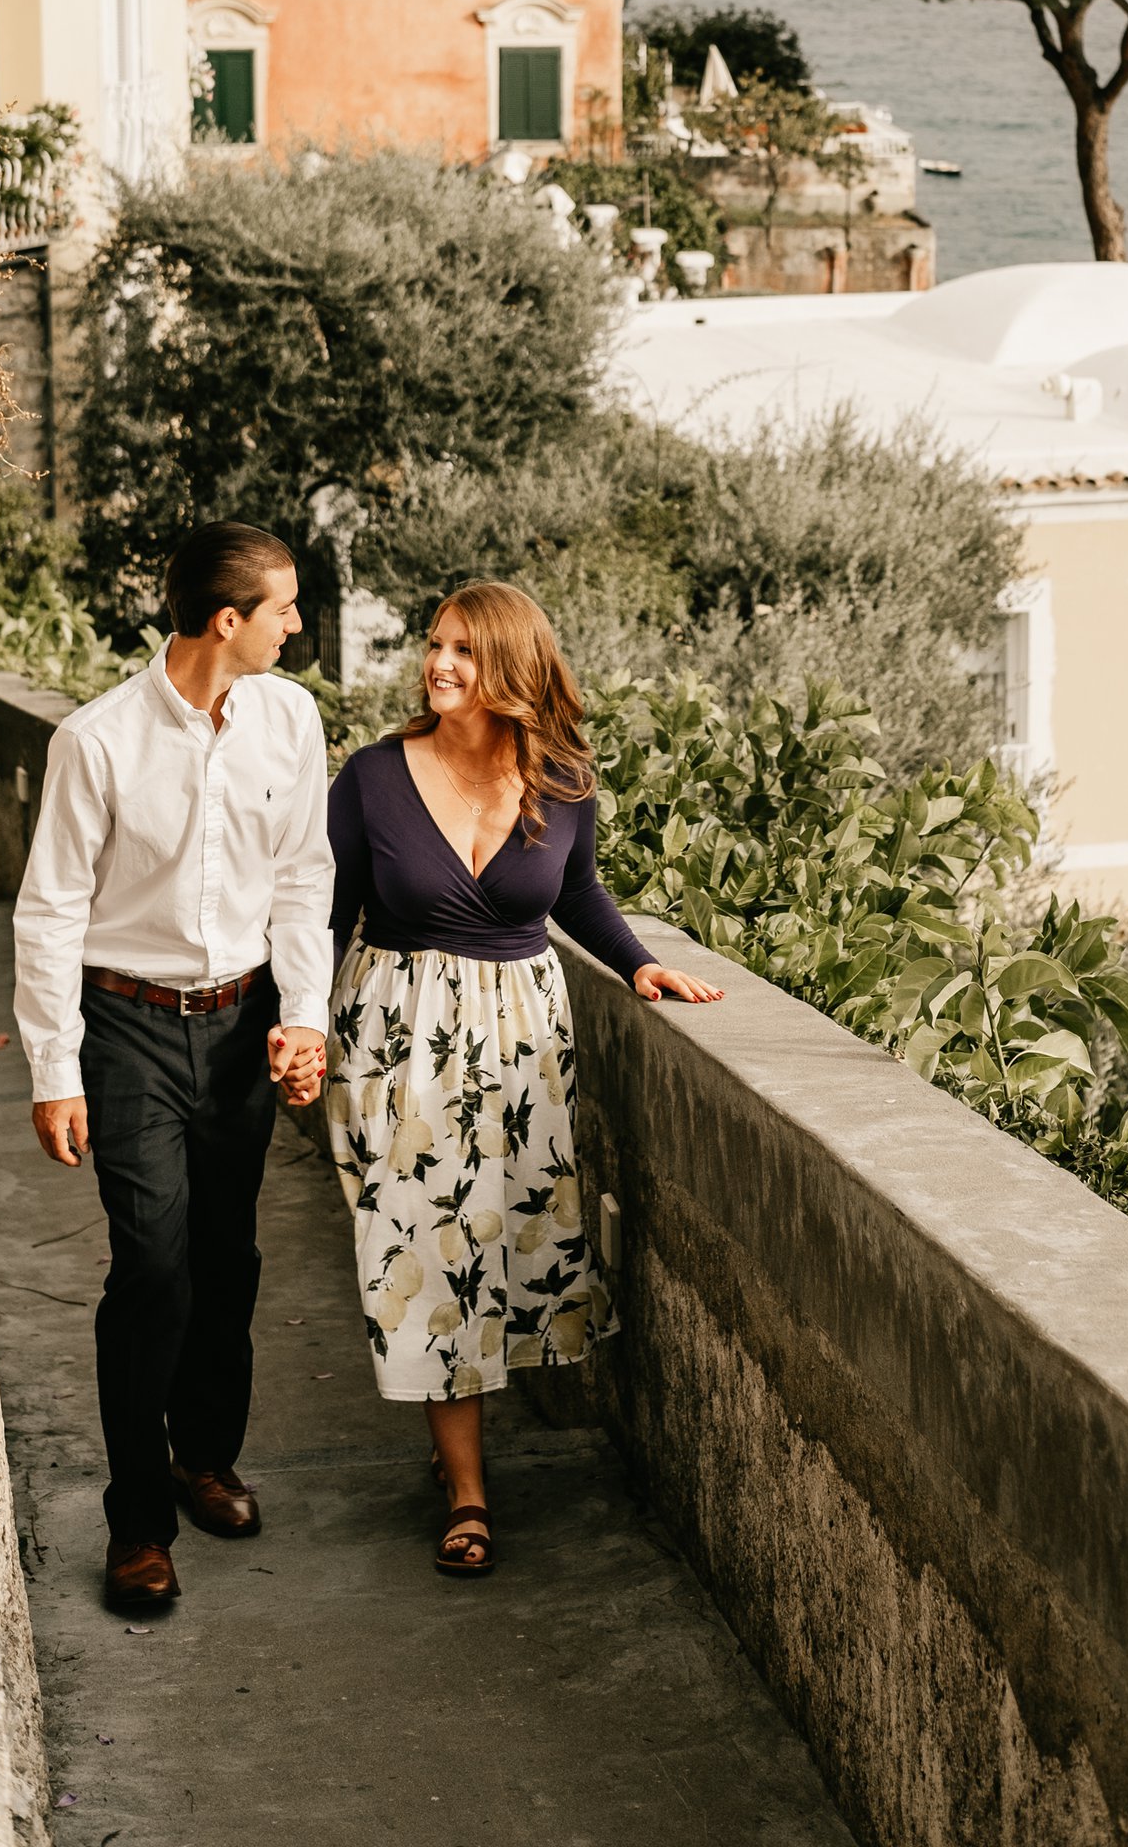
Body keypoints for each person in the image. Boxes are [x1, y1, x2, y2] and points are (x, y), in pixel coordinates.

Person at [325, 580, 720, 1575]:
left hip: (522, 1038)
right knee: (424, 1244)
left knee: (501, 1240)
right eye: (434, 645)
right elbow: (322, 914)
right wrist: (300, 1030)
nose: (439, 664)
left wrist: (638, 962)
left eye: (464, 650)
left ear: (513, 669)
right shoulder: (372, 779)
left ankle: (466, 1462)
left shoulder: (567, 781)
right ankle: (466, 1490)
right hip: (400, 1032)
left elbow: (577, 892)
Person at [13, 521, 333, 1612]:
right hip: (127, 1026)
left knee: (226, 1257)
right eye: (284, 607)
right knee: (152, 1268)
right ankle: (139, 1520)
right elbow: (51, 911)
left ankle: (205, 1459)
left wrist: (304, 1018)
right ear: (226, 620)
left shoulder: (291, 721)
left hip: (243, 1023)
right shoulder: (96, 743)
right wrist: (54, 1070)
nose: (299, 624)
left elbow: (302, 880)